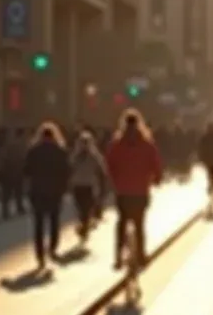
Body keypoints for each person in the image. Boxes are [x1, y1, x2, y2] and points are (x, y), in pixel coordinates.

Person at [105, 110, 163, 270]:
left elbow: (109, 165)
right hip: (140, 191)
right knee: (139, 224)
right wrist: (157, 179)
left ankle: (118, 256)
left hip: (122, 191)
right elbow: (156, 164)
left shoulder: (117, 145)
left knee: (122, 222)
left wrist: (114, 181)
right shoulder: (147, 144)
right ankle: (142, 256)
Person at [22, 122, 71, 270]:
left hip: (37, 191)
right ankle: (52, 247)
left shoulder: (34, 151)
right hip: (55, 191)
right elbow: (66, 171)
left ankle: (40, 254)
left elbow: (26, 170)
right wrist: (64, 188)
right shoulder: (60, 151)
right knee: (54, 221)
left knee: (39, 224)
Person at [69, 130, 109, 241]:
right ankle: (84, 225)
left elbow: (69, 169)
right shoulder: (94, 156)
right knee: (85, 208)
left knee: (83, 208)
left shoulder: (76, 156)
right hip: (87, 185)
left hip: (80, 185)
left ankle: (84, 225)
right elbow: (102, 170)